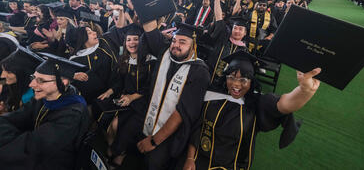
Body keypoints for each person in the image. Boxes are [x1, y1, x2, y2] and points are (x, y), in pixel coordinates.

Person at [183, 51, 321, 170]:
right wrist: (190, 158)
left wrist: (305, 90)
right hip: (198, 162)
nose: (236, 84)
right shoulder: (211, 96)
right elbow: (197, 128)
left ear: (252, 82)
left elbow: (285, 104)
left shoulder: (256, 104)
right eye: (231, 77)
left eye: (243, 79)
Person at [137, 19, 210, 169]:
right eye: (174, 40)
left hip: (174, 132)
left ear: (193, 46)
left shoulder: (200, 72)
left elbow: (182, 112)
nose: (176, 45)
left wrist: (153, 141)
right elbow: (150, 30)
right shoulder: (166, 54)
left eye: (182, 42)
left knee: (153, 162)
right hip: (149, 115)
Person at [0, 52, 89, 170]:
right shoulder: (44, 97)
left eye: (41, 80)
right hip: (35, 152)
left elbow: (32, 146)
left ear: (63, 82)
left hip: (53, 162)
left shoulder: (72, 114)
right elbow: (15, 118)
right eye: (33, 78)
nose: (31, 84)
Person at [100, 24, 156, 168]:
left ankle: (118, 153)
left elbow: (151, 86)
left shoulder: (150, 61)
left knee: (126, 130)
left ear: (141, 41)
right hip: (127, 101)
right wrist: (110, 91)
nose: (132, 43)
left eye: (136, 39)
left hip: (144, 103)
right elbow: (119, 82)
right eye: (129, 40)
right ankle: (115, 152)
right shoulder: (124, 59)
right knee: (112, 125)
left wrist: (132, 97)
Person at [0, 46, 44, 113]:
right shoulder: (14, 85)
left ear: (24, 74)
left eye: (9, 72)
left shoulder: (34, 98)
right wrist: (5, 110)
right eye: (3, 70)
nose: (2, 75)